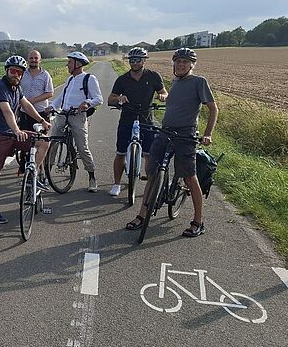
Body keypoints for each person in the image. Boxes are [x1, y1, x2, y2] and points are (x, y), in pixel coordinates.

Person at [125, 48, 219, 237]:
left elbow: (213, 108)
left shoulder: (199, 82)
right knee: (152, 172)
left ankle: (198, 221)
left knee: (189, 178)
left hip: (186, 135)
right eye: (178, 61)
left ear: (192, 64)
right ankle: (142, 215)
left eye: (185, 62)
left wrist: (208, 134)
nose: (181, 65)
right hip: (166, 132)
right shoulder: (175, 82)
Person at [0, 56, 52, 224]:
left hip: (13, 133)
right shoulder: (0, 87)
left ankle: (31, 176)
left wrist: (42, 121)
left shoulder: (17, 88)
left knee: (43, 141)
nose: (16, 75)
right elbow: (7, 111)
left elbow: (27, 106)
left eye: (19, 72)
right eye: (13, 71)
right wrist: (17, 130)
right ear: (7, 71)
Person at [107, 47, 168, 197]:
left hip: (146, 118)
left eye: (138, 60)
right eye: (132, 60)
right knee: (121, 153)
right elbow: (110, 99)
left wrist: (163, 96)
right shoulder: (122, 79)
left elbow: (164, 92)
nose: (134, 63)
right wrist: (118, 99)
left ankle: (150, 184)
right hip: (127, 118)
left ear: (144, 61)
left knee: (149, 154)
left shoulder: (153, 76)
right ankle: (117, 184)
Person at [49, 51, 103, 192]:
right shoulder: (70, 79)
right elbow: (61, 97)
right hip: (63, 114)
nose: (67, 64)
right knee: (53, 141)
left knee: (82, 147)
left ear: (78, 64)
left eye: (70, 62)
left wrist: (87, 103)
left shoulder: (89, 79)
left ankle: (92, 177)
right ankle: (46, 174)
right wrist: (52, 106)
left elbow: (99, 98)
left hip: (78, 116)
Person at [17, 49, 55, 129]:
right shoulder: (22, 74)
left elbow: (50, 93)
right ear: (27, 60)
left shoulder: (45, 75)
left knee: (41, 139)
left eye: (36, 58)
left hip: (41, 113)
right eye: (31, 58)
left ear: (40, 60)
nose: (33, 60)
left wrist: (34, 100)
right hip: (25, 113)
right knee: (24, 139)